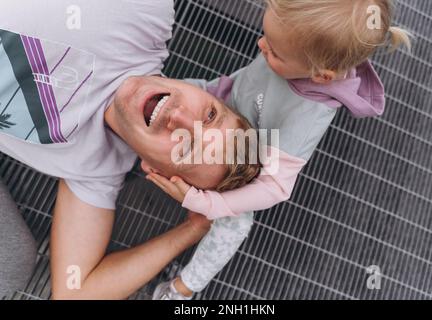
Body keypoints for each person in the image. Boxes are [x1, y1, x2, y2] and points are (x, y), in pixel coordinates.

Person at [150, 0, 412, 299]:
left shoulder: (307, 117)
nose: (261, 44)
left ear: (322, 76)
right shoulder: (294, 44)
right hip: (222, 99)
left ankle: (182, 289)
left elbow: (275, 187)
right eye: (267, 36)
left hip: (239, 158)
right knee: (153, 96)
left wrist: (210, 204)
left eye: (274, 51)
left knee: (233, 225)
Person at [0, 0, 260, 299]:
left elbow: (74, 293)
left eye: (187, 148)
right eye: (210, 115)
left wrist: (195, 228)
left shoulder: (97, 168)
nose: (178, 117)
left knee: (10, 267)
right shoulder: (145, 13)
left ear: (157, 172)